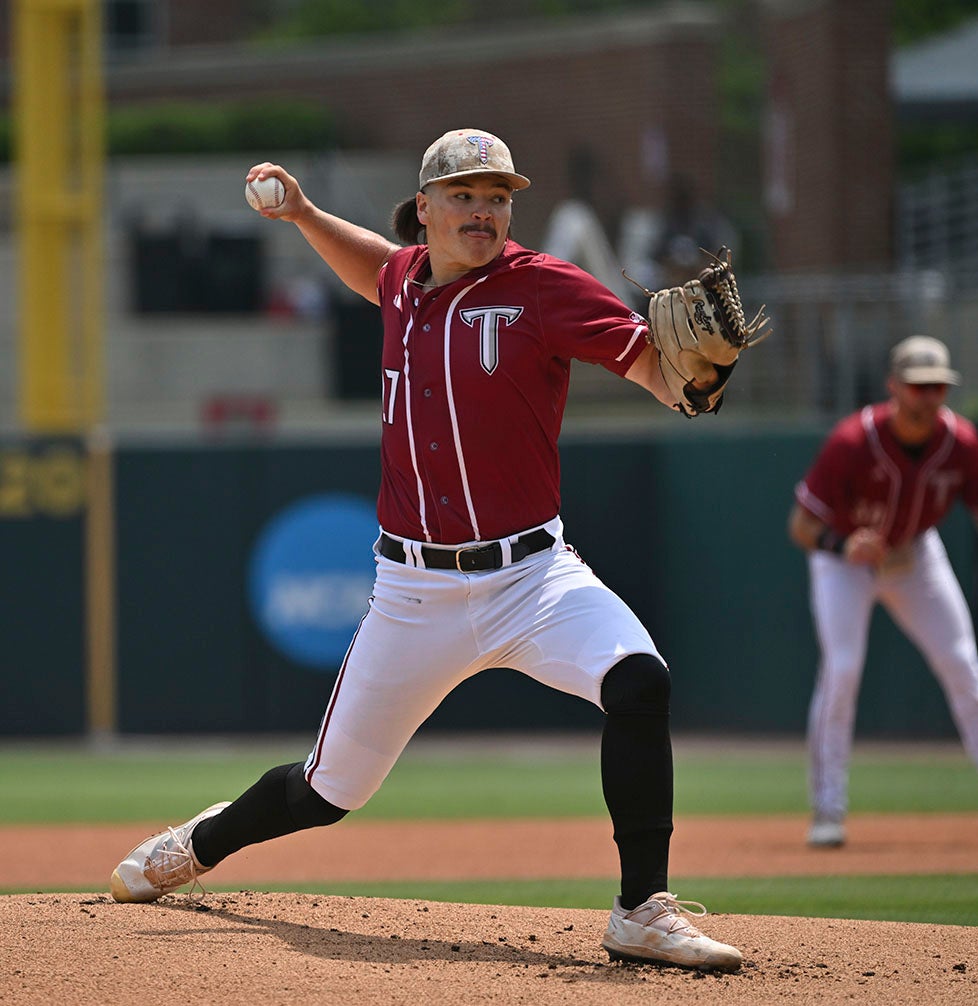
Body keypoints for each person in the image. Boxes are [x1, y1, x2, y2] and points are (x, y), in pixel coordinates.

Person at [110, 128, 742, 972]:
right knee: (328, 792)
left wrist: (707, 376)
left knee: (638, 681)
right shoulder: (404, 280)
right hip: (414, 594)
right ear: (426, 209)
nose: (484, 213)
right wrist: (301, 213)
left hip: (534, 576)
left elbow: (667, 382)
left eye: (498, 198)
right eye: (465, 197)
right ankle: (202, 842)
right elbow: (371, 262)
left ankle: (641, 909)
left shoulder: (544, 288)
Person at [788, 335, 978, 848]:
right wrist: (842, 542)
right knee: (843, 668)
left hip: (915, 556)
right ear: (894, 386)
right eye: (917, 386)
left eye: (937, 385)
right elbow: (801, 526)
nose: (928, 396)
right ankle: (828, 811)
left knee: (964, 666)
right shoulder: (853, 441)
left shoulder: (960, 442)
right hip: (845, 564)